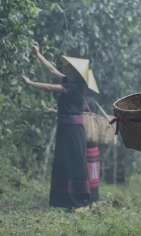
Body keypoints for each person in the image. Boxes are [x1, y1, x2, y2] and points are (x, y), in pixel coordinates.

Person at [22, 45, 99, 209]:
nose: (65, 67)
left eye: (68, 66)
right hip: (66, 128)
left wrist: (31, 83)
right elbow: (52, 71)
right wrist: (38, 54)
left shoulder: (77, 84)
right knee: (63, 161)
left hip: (73, 130)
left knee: (75, 162)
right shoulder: (69, 79)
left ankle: (80, 200)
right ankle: (62, 200)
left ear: (74, 71)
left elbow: (51, 87)